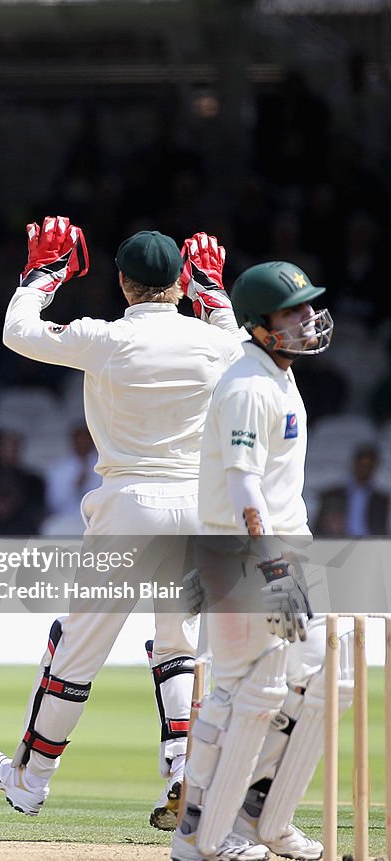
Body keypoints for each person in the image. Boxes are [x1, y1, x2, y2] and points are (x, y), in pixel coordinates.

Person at [0, 219, 243, 831]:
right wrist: (214, 293)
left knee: (77, 651)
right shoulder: (214, 342)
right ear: (178, 283)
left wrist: (43, 276)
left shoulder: (104, 338)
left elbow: (18, 332)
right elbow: (232, 335)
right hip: (200, 508)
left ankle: (30, 779)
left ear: (122, 283)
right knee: (179, 647)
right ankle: (182, 769)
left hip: (129, 503)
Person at [172, 262, 341, 861]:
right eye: (292, 311)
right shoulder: (247, 385)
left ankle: (264, 818)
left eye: (306, 307)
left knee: (328, 682)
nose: (306, 319)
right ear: (261, 327)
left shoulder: (278, 372)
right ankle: (201, 834)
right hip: (245, 552)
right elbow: (243, 486)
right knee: (249, 690)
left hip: (287, 545)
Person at [316, 442, 389, 537]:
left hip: (372, 544)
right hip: (337, 544)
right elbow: (318, 527)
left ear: (375, 468)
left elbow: (383, 531)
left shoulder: (382, 499)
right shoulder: (332, 495)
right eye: (362, 465)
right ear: (355, 464)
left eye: (369, 466)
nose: (365, 470)